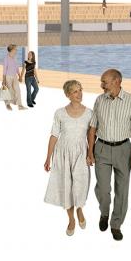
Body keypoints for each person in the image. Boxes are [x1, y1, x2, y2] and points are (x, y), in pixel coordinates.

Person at [87, 69, 131, 241]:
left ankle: (116, 224)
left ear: (117, 81)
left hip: (123, 150)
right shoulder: (99, 100)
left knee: (122, 190)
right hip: (102, 149)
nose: (101, 85)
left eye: (104, 82)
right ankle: (104, 213)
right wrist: (90, 151)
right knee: (103, 189)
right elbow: (92, 128)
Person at [43, 79, 93, 236]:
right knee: (66, 186)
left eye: (80, 89)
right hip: (62, 154)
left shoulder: (90, 113)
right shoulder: (60, 113)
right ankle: (71, 218)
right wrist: (47, 157)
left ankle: (80, 209)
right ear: (68, 95)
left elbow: (92, 136)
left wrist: (91, 153)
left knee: (80, 185)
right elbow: (54, 135)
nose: (79, 94)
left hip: (81, 154)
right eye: (75, 91)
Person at [1, 43, 25, 111]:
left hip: (14, 76)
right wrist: (4, 80)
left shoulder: (15, 58)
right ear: (11, 50)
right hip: (8, 77)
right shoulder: (6, 58)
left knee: (18, 90)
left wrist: (20, 76)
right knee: (9, 91)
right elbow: (4, 70)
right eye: (15, 49)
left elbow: (17, 67)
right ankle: (7, 104)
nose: (16, 50)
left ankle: (20, 105)